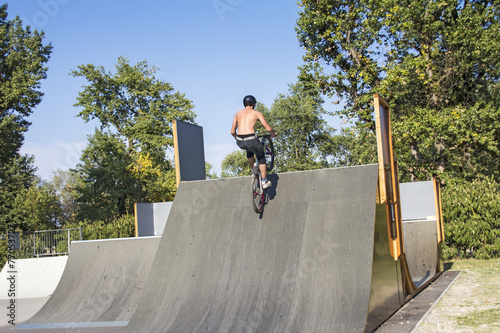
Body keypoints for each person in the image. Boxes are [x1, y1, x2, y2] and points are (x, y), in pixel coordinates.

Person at [231, 95, 277, 188]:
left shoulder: (237, 114)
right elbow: (267, 128)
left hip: (240, 141)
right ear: (253, 104)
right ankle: (264, 181)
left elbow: (232, 131)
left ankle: (254, 172)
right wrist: (273, 133)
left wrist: (237, 138)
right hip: (251, 139)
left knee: (249, 151)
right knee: (261, 157)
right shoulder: (256, 113)